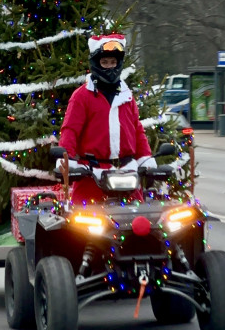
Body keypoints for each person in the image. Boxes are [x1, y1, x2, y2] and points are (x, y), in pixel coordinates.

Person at [58, 33, 157, 204]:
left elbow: (136, 130)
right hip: (92, 176)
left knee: (140, 221)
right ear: (96, 64)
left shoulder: (126, 96)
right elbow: (70, 130)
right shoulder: (82, 96)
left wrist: (145, 159)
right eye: (105, 63)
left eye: (113, 62)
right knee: (80, 226)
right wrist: (67, 160)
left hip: (127, 174)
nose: (110, 67)